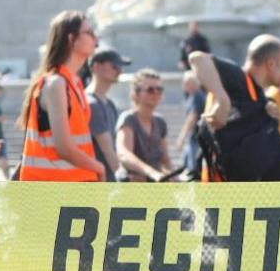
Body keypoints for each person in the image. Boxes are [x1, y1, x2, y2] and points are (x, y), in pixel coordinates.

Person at [190, 34, 280, 182]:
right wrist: (221, 99)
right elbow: (197, 58)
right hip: (219, 193)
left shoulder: (259, 97)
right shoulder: (240, 79)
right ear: (271, 64)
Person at [19, 11, 106, 182]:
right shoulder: (57, 83)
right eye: (89, 32)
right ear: (71, 39)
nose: (95, 38)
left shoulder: (73, 83)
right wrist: (99, 167)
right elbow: (64, 148)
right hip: (51, 191)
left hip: (70, 188)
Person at [117, 69, 174, 181]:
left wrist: (176, 176)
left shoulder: (160, 121)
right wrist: (151, 172)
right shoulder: (129, 119)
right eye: (150, 90)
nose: (156, 93)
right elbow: (124, 154)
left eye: (159, 89)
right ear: (136, 94)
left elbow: (165, 160)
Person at [87, 47, 131, 181]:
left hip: (107, 178)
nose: (120, 71)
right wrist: (123, 177)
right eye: (115, 66)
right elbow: (108, 150)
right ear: (97, 67)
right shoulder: (90, 103)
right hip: (96, 181)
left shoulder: (109, 103)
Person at [178, 70, 207, 177]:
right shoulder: (193, 96)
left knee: (195, 170)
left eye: (189, 82)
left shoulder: (197, 96)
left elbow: (192, 117)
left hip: (197, 139)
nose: (186, 86)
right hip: (194, 138)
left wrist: (181, 137)